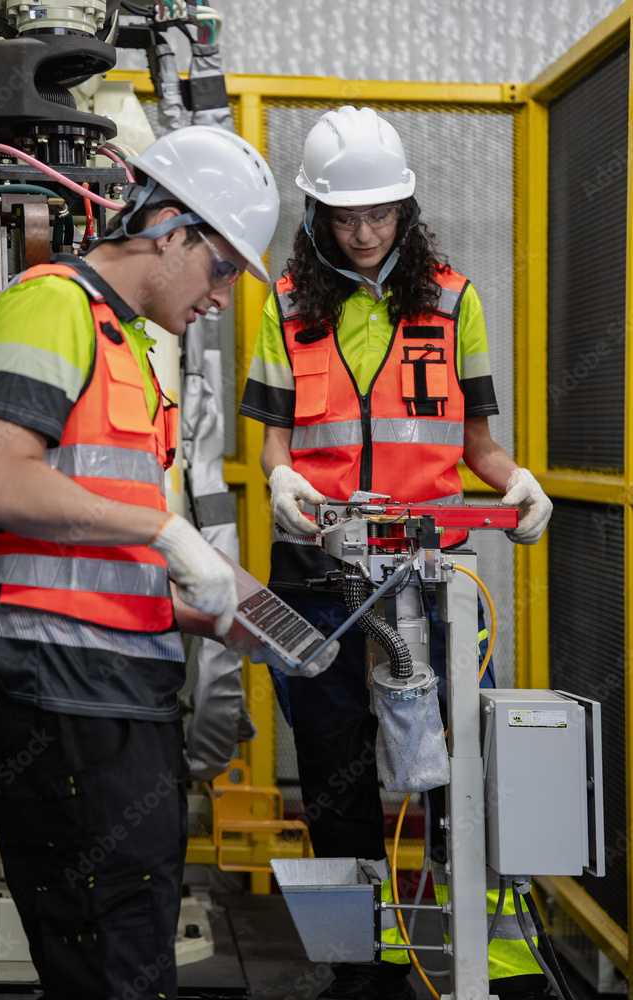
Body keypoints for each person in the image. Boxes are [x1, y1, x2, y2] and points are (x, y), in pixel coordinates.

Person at [0, 124, 279, 1000]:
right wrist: (169, 536)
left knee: (130, 960)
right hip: (68, 709)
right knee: (114, 970)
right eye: (222, 267)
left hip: (114, 701)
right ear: (169, 231)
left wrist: (233, 613)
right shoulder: (51, 307)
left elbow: (101, 542)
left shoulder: (126, 346)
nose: (222, 296)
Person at [239, 106, 553, 1000]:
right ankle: (361, 964)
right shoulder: (288, 308)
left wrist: (514, 480)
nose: (367, 232)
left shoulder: (453, 298)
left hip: (432, 576)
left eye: (381, 214)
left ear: (405, 209)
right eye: (347, 217)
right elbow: (274, 444)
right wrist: (279, 482)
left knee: (462, 762)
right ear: (314, 216)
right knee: (335, 770)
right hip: (317, 575)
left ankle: (488, 951)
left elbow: (477, 445)